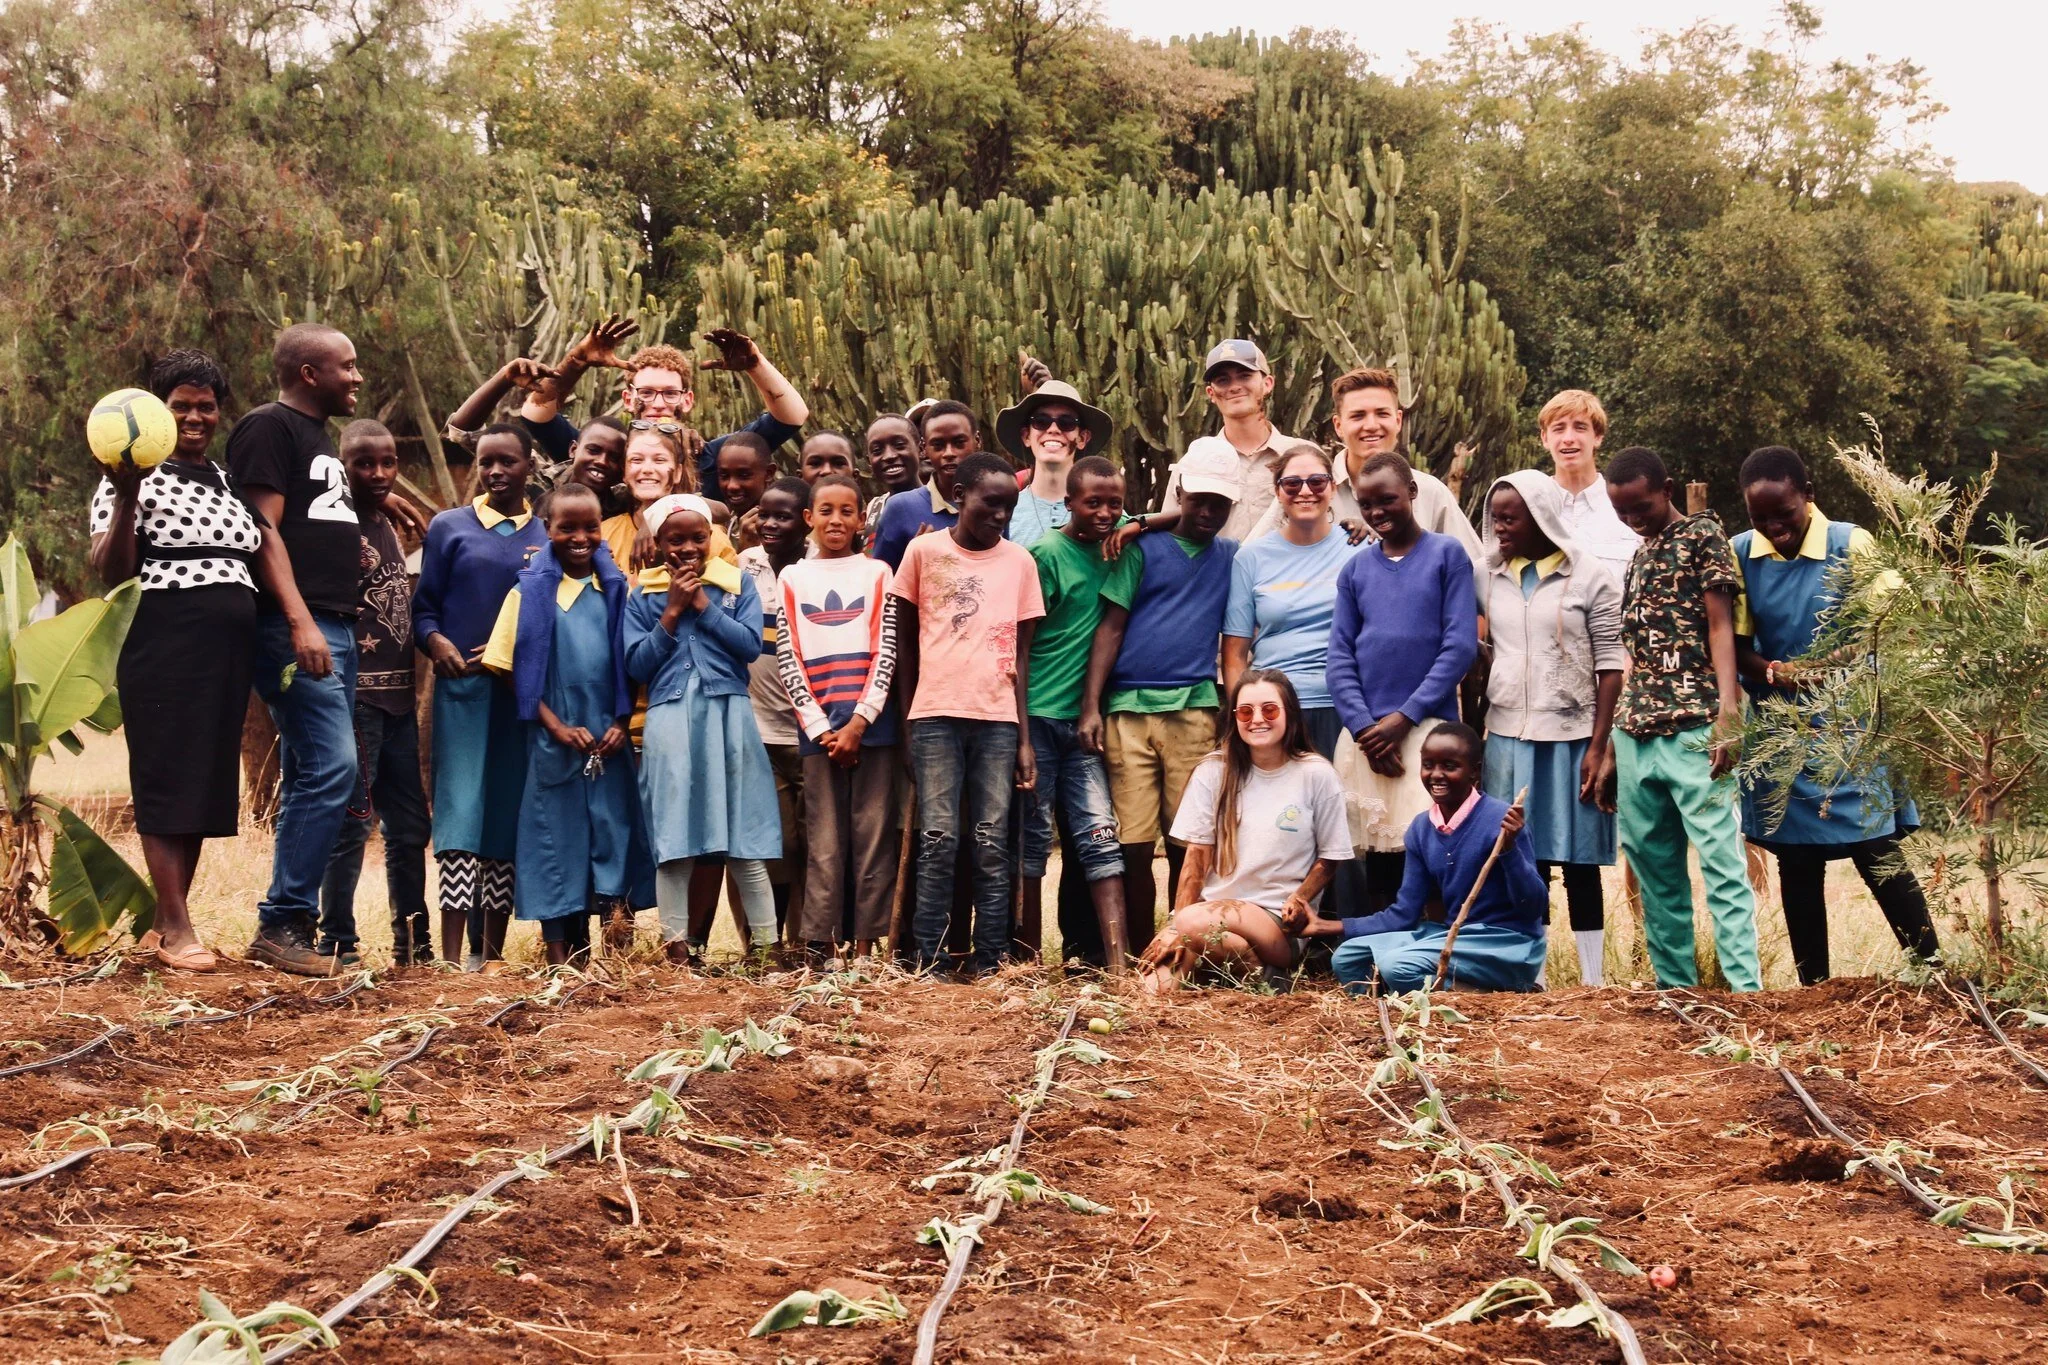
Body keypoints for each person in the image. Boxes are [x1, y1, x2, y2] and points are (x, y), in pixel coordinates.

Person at [1731, 446, 1940, 984]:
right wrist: (1781, 673)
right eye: (1762, 519)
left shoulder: (1852, 543)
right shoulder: (1738, 553)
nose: (1775, 528)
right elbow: (1732, 643)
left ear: (1809, 495)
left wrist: (1823, 666)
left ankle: (1933, 972)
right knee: (1796, 862)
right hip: (1781, 727)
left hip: (1850, 723)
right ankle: (1813, 991)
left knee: (1876, 849)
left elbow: (1884, 621)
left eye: (1785, 514)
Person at [88, 349, 263, 972]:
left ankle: (166, 923)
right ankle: (180, 927)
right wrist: (130, 494)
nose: (195, 417)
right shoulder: (128, 476)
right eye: (181, 406)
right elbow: (112, 569)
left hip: (225, 652)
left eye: (206, 406)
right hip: (164, 641)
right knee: (168, 774)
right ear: (158, 412)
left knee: (204, 782)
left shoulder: (221, 477)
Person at [228, 322, 366, 976]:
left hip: (334, 623)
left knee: (328, 771)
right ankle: (282, 922)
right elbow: (261, 531)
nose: (357, 376)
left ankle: (293, 927)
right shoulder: (268, 427)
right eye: (346, 365)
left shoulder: (321, 439)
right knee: (330, 765)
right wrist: (299, 618)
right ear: (309, 373)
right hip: (297, 628)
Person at [1600, 446, 1760, 992]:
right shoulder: (1638, 555)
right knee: (1655, 869)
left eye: (1641, 507)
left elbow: (1721, 628)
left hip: (1696, 724)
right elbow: (1633, 651)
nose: (1633, 520)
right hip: (1636, 730)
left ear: (1667, 489)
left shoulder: (1702, 538)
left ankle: (1746, 994)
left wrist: (1729, 711)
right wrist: (1608, 746)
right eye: (1621, 512)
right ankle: (1678, 993)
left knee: (1720, 862)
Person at [890, 452, 1044, 973]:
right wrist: (908, 720)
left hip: (997, 719)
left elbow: (1021, 656)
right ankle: (928, 958)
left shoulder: (1020, 563)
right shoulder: (922, 552)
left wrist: (1024, 738)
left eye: (1010, 507)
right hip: (934, 714)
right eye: (990, 504)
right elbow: (906, 644)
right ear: (959, 497)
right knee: (938, 838)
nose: (1000, 515)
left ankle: (992, 956)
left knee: (991, 840)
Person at [479, 484, 644, 965]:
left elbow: (631, 662)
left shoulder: (616, 590)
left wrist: (620, 722)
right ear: (547, 529)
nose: (580, 536)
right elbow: (506, 665)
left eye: (590, 527)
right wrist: (553, 725)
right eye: (566, 527)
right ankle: (560, 959)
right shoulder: (528, 591)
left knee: (611, 834)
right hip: (556, 739)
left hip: (608, 739)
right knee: (556, 838)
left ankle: (613, 955)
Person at [1081, 438, 1240, 935]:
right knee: (1131, 840)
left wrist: (1146, 517)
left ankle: (1179, 939)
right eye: (1199, 501)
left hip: (1193, 709)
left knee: (1185, 838)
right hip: (1128, 710)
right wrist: (1092, 705)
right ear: (1181, 494)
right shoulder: (1141, 550)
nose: (1209, 512)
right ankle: (1136, 947)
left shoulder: (1233, 557)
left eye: (1221, 504)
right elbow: (1111, 627)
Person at [412, 424, 549, 968]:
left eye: (508, 462)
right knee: (460, 810)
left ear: (529, 465)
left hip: (520, 695)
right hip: (463, 690)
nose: (496, 472)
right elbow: (424, 608)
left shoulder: (546, 531)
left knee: (504, 813)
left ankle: (488, 954)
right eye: (487, 462)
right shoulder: (450, 527)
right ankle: (450, 959)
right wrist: (437, 642)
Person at [1481, 470, 1623, 986]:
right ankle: (1533, 974)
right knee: (1524, 858)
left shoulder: (1590, 576)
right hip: (1507, 736)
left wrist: (1600, 744)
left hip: (1571, 738)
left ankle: (1592, 981)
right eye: (1495, 517)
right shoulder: (1488, 575)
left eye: (1510, 518)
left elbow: (1611, 663)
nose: (1500, 527)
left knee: (1579, 860)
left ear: (1542, 517)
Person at [624, 493, 780, 961]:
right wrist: (671, 611)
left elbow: (750, 646)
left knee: (745, 836)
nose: (688, 547)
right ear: (659, 543)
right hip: (671, 719)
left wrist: (702, 605)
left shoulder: (736, 585)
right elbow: (636, 664)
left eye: (699, 537)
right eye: (676, 540)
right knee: (675, 835)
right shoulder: (644, 594)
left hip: (729, 716)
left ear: (712, 538)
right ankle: (676, 950)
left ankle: (768, 950)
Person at [1326, 452, 1480, 910]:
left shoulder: (1446, 555)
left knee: (1432, 850)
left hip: (1428, 733)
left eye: (1387, 500)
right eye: (1366, 504)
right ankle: (1385, 966)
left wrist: (1403, 719)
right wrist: (1365, 729)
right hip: (1367, 737)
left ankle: (1434, 962)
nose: (1377, 513)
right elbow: (1339, 657)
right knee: (1380, 859)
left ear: (1412, 493)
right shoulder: (1355, 570)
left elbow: (1459, 647)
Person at [1134, 671, 1350, 994]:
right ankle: (1259, 976)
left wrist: (1301, 896)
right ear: (1234, 718)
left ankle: (1259, 977)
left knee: (1194, 925)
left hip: (1276, 923)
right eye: (1246, 712)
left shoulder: (1317, 774)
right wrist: (1173, 928)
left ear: (1289, 712)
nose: (1257, 720)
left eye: (1270, 710)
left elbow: (1331, 858)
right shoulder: (1212, 771)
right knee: (1151, 988)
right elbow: (1196, 857)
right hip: (1206, 918)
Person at [1305, 723, 1549, 993]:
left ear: (1474, 771)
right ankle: (1399, 1011)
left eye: (1449, 766)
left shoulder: (1502, 821)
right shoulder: (1421, 829)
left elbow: (1533, 907)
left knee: (1398, 966)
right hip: (1453, 937)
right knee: (1347, 958)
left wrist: (1509, 850)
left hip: (1505, 943)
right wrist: (1323, 926)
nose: (1436, 775)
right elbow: (1404, 914)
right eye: (1428, 764)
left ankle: (1485, 997)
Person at [318, 421, 431, 968]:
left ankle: (414, 946)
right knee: (353, 822)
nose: (380, 473)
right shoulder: (333, 523)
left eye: (388, 462)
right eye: (365, 464)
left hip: (400, 699)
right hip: (357, 700)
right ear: (343, 467)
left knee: (410, 827)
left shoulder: (386, 518)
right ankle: (335, 942)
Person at [776, 474, 903, 958]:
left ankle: (868, 944)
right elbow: (789, 655)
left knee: (872, 837)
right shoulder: (794, 577)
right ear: (809, 519)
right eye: (825, 510)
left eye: (846, 511)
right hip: (818, 731)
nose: (836, 520)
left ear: (860, 520)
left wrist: (860, 721)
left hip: (871, 728)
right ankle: (822, 945)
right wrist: (819, 726)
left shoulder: (877, 573)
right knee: (824, 842)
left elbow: (886, 649)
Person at [1022, 456, 1136, 968]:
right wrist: (1020, 733)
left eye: (1115, 503)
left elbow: (1110, 629)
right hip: (1037, 718)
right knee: (1029, 842)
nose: (1106, 512)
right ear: (1067, 503)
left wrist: (1090, 707)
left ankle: (1117, 962)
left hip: (1083, 723)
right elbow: (1020, 648)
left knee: (1099, 838)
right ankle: (1024, 961)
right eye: (1093, 502)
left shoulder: (1124, 554)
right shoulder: (1045, 553)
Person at [1245, 368, 1484, 580]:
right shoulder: (1310, 490)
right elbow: (1249, 558)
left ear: (1398, 420)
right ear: (1338, 426)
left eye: (1382, 413)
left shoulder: (1430, 492)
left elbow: (1475, 569)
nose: (1371, 425)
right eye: (1358, 416)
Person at [517, 330, 809, 491]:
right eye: (646, 392)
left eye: (670, 393)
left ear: (687, 399)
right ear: (628, 399)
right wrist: (577, 360)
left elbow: (792, 417)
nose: (658, 404)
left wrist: (755, 366)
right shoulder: (605, 458)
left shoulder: (713, 456)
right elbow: (535, 416)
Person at [1223, 448, 1365, 758]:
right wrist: (1245, 716)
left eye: (1316, 481)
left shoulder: (1361, 549)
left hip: (1346, 707)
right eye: (1292, 484)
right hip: (1274, 711)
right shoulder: (1251, 558)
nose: (1305, 491)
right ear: (1278, 492)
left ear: (1332, 487)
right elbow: (1234, 655)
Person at [1120, 339, 1320, 548]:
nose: (1234, 387)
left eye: (1245, 376)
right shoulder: (1193, 463)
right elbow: (1174, 536)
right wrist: (1139, 524)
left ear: (1267, 383)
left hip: (1287, 577)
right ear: (1211, 394)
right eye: (1223, 380)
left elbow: (1329, 521)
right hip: (1219, 578)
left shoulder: (1303, 456)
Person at [736, 477, 812, 938]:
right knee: (773, 844)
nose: (768, 523)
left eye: (782, 516)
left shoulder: (824, 566)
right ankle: (763, 943)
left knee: (810, 845)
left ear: (806, 520)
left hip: (808, 731)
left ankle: (807, 941)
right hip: (759, 730)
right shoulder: (746, 565)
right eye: (764, 514)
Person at [994, 380, 1112, 548]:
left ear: (1082, 438)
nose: (1053, 429)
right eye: (1041, 421)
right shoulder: (1005, 513)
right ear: (1026, 436)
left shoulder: (1105, 513)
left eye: (1067, 422)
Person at [1540, 390, 1639, 579]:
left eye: (1580, 427)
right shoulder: (1529, 509)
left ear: (1598, 436)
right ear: (1545, 438)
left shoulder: (1630, 508)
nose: (1568, 438)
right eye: (1559, 428)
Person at [870, 401, 976, 569]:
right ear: (924, 448)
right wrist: (915, 556)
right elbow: (882, 582)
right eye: (938, 445)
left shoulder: (993, 501)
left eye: (959, 442)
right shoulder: (899, 508)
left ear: (977, 441)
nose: (949, 453)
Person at [717, 430, 775, 552]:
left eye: (744, 475)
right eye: (724, 475)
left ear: (769, 473)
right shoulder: (721, 527)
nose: (732, 486)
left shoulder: (782, 528)